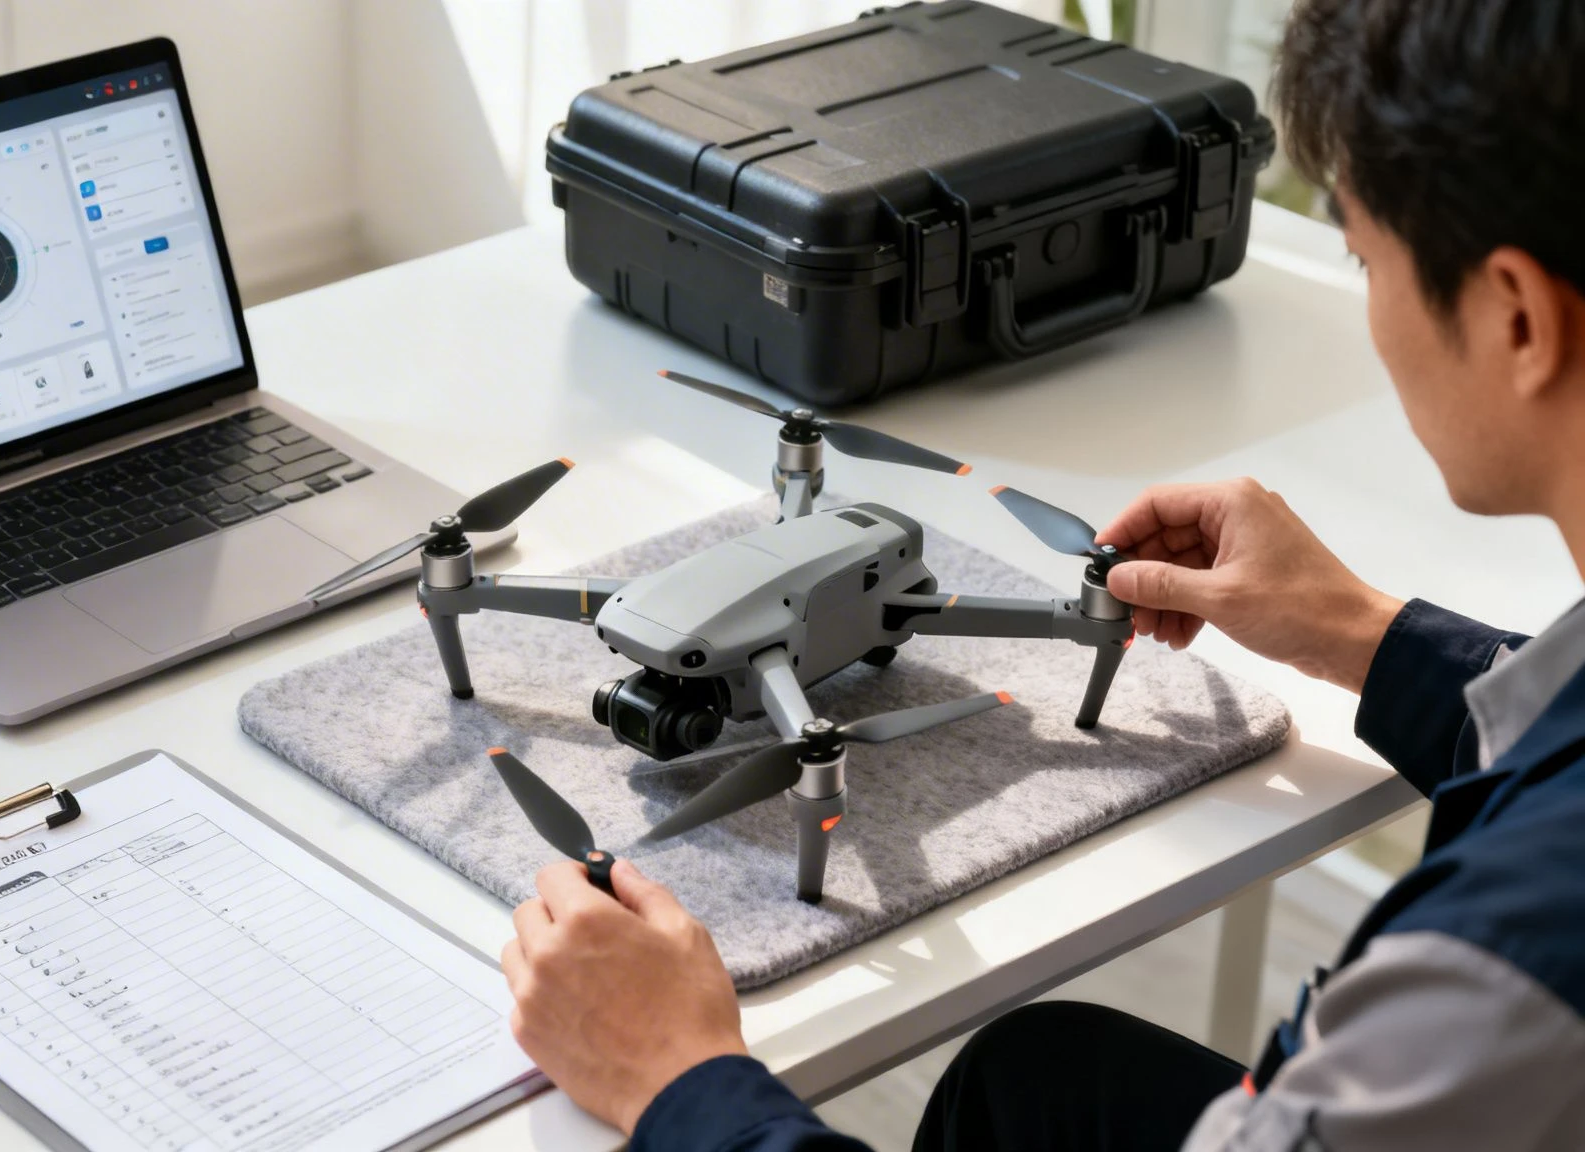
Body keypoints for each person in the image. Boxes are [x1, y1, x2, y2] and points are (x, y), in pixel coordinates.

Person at [497, 0, 1585, 1147]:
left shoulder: (1491, 963)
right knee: (1036, 1074)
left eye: (1364, 256)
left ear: (1513, 316)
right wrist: (1364, 634)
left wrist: (678, 1079)